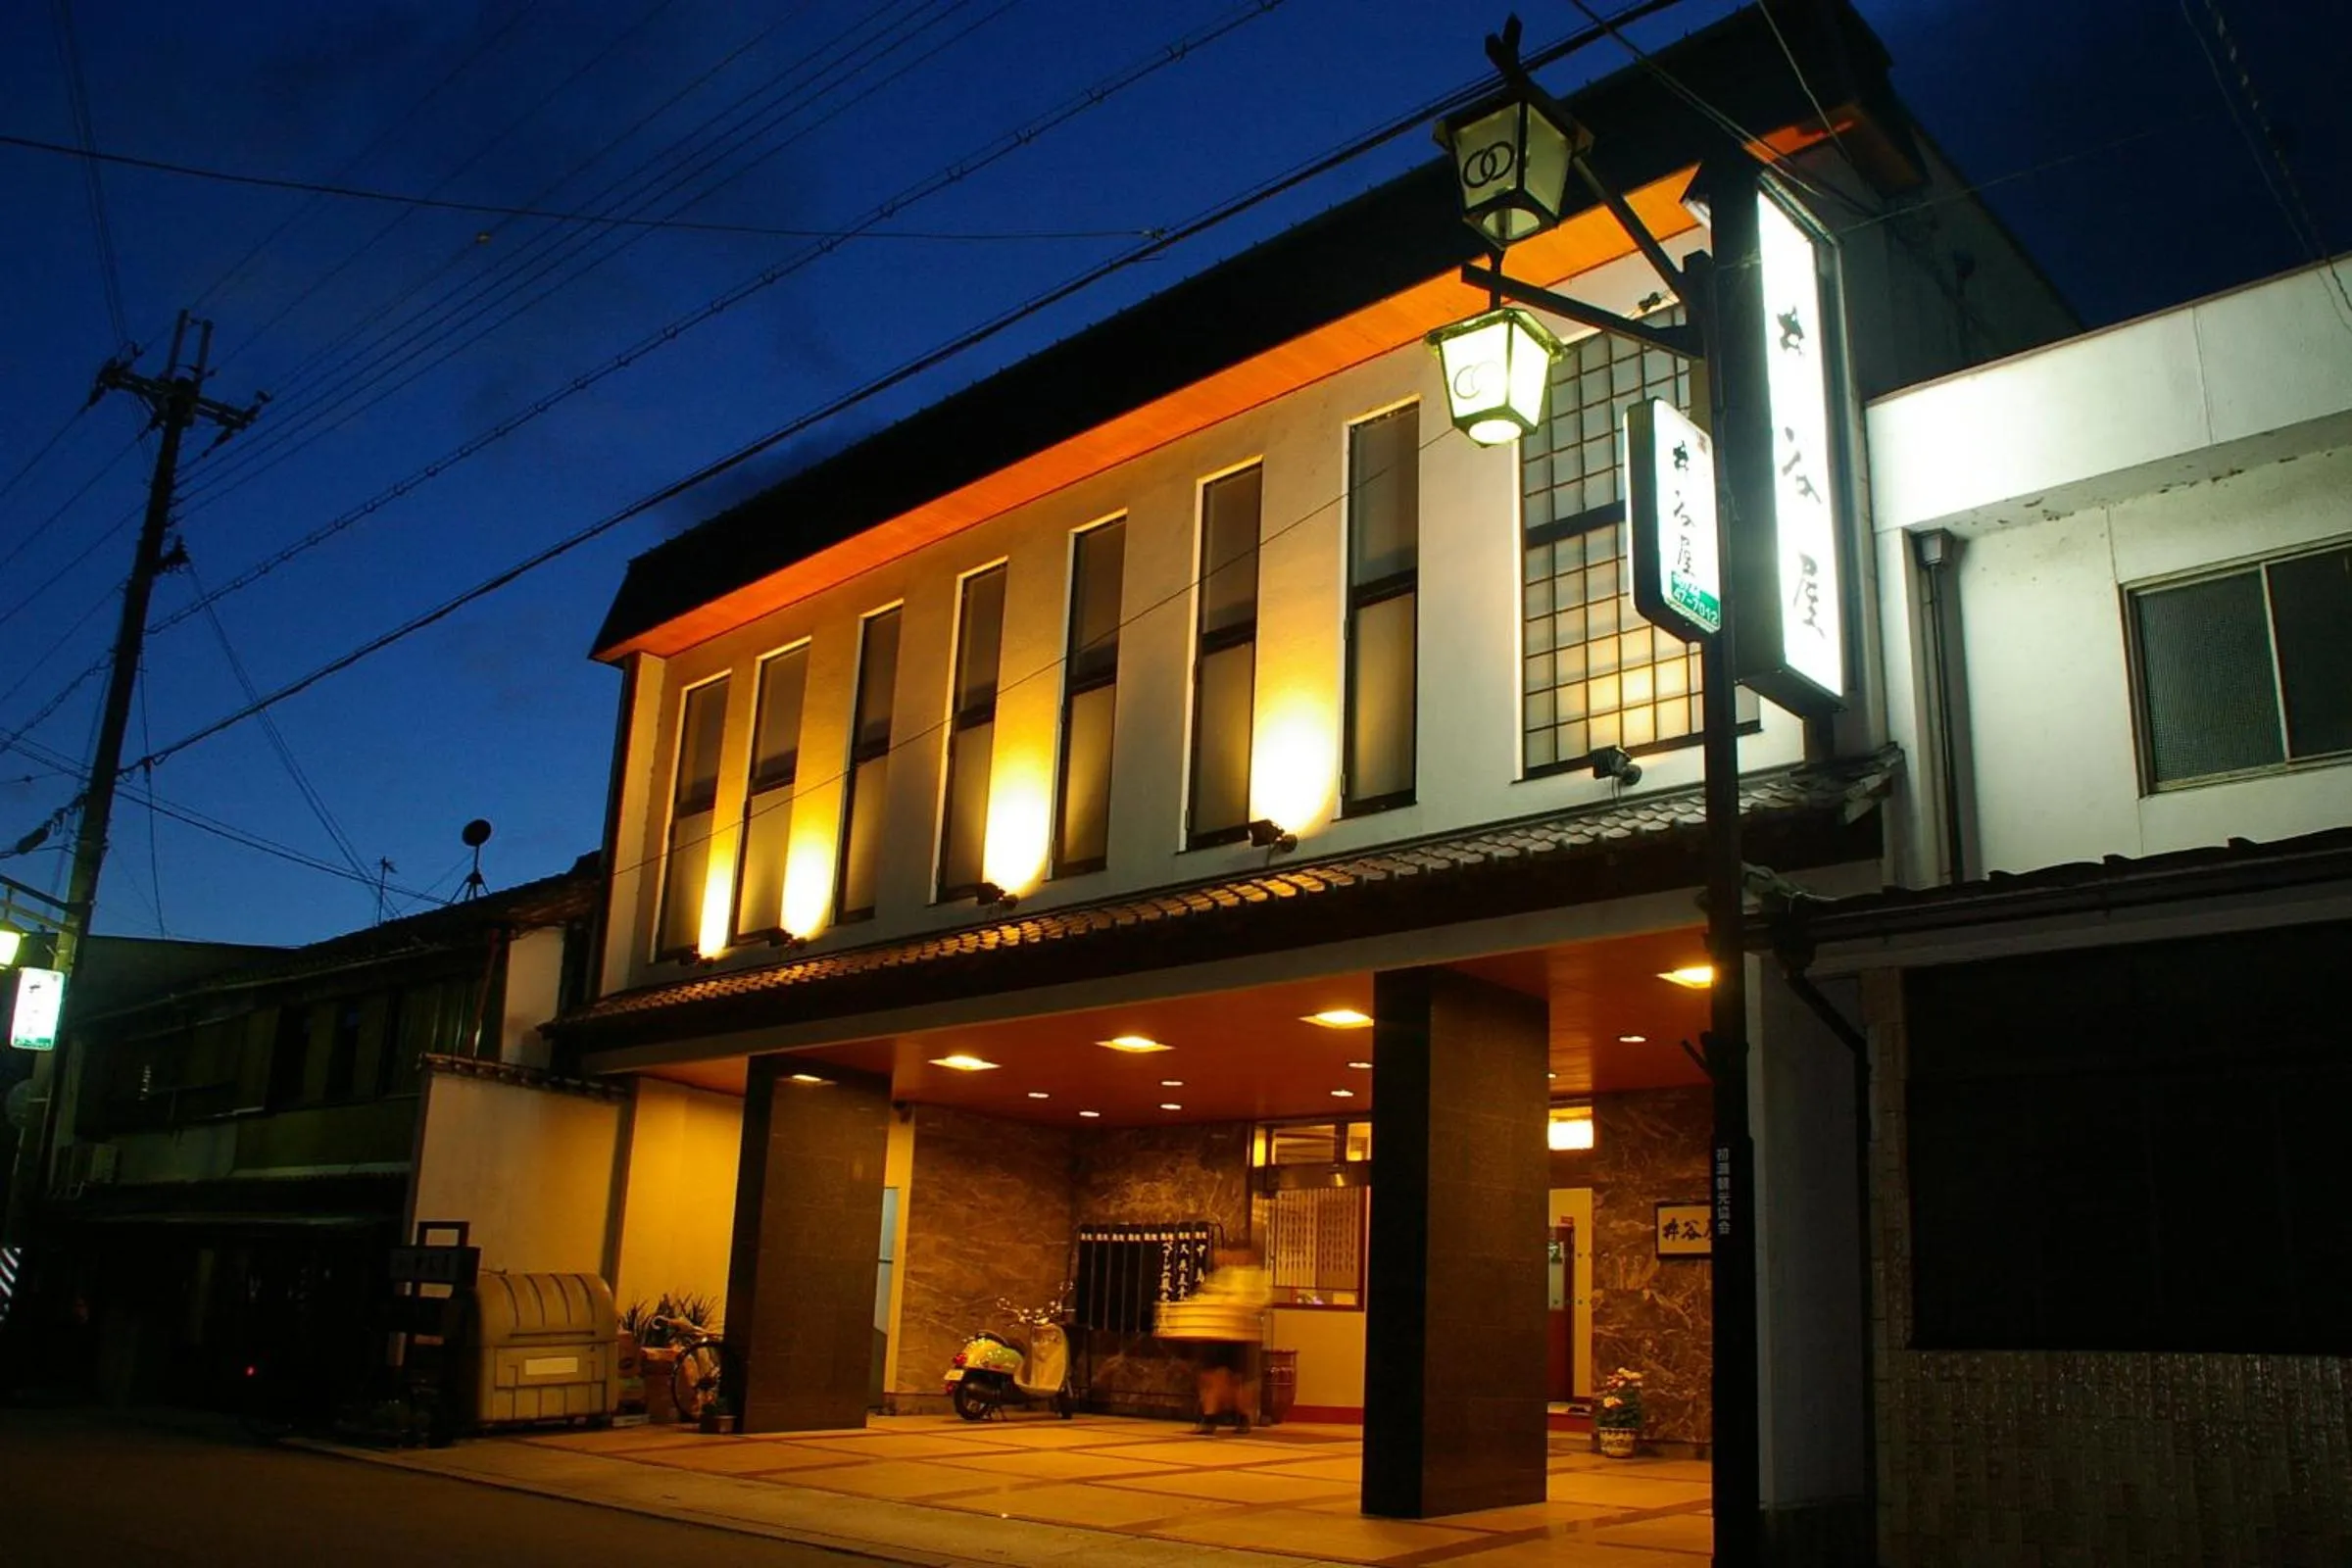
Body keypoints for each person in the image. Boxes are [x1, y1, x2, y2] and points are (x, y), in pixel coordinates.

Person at [1191, 1247, 1269, 1433]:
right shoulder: (1221, 1275)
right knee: (1211, 1375)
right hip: (1217, 1330)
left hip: (1243, 1332)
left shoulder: (1257, 1277)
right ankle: (1209, 1417)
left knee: (1239, 1379)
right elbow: (1205, 1294)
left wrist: (1239, 1305)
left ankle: (1242, 1418)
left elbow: (1261, 1301)